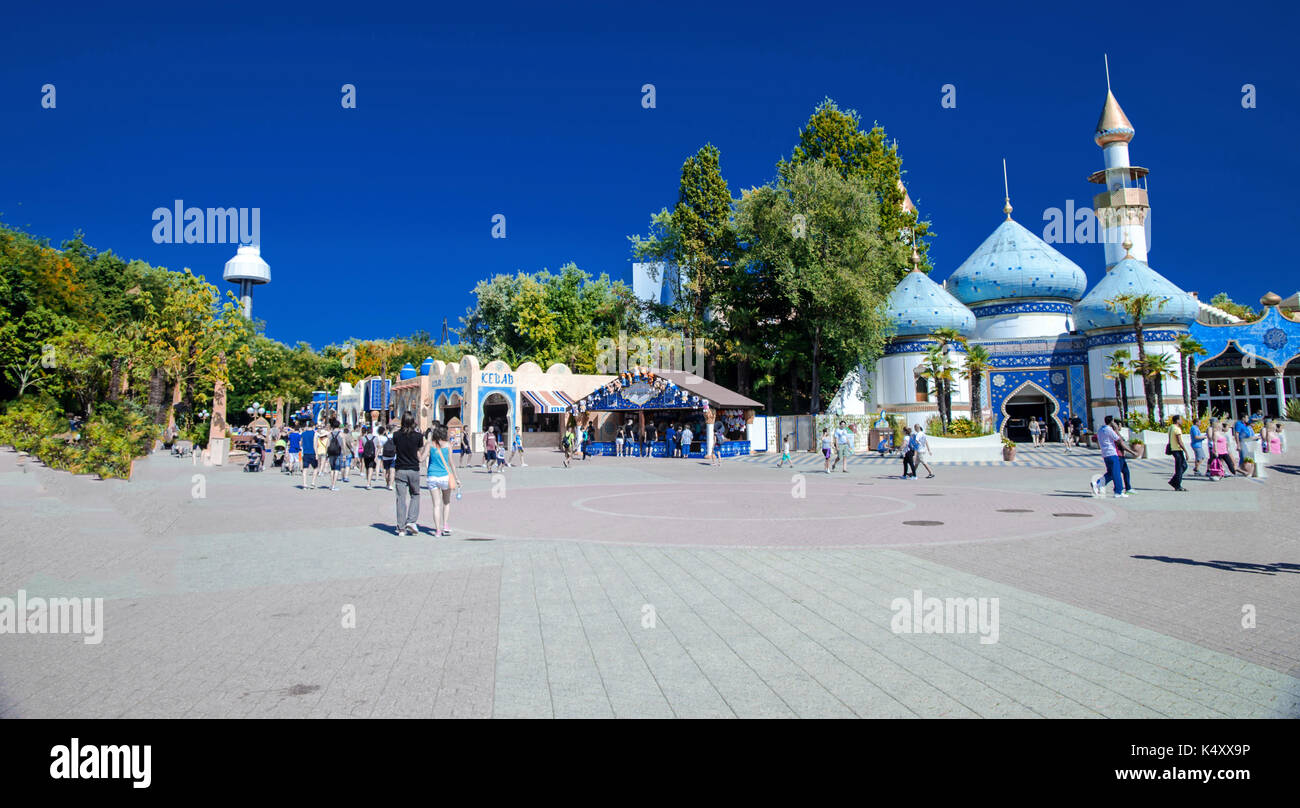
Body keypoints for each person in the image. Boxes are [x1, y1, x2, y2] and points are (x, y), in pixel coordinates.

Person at [424, 420, 461, 537]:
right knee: (446, 502)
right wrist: (457, 478)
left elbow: (421, 458)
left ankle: (437, 530)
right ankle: (445, 525)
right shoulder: (448, 445)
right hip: (445, 477)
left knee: (436, 505)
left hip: (432, 476)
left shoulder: (429, 445)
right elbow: (451, 463)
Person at [391, 412, 425, 535]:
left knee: (400, 498)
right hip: (414, 469)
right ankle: (411, 520)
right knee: (415, 494)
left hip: (400, 469)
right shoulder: (418, 436)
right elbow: (419, 452)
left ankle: (401, 528)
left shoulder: (396, 435)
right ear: (413, 422)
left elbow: (395, 449)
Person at [1089, 415, 1129, 498]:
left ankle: (1098, 483)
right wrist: (1117, 429)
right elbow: (1119, 439)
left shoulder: (1100, 430)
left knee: (1110, 473)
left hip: (1105, 454)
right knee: (1116, 473)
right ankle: (1118, 491)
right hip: (1112, 453)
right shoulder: (1109, 430)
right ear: (1111, 422)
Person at [324, 418, 346, 491]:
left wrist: (326, 453)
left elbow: (327, 444)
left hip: (331, 453)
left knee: (332, 469)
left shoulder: (330, 434)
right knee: (337, 469)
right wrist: (344, 454)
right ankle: (334, 485)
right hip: (338, 453)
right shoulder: (341, 434)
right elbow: (343, 445)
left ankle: (331, 484)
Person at [1167, 414, 1188, 491]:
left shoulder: (1171, 427)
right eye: (1181, 419)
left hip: (1173, 449)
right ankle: (1177, 485)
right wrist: (1186, 451)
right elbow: (1180, 441)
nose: (1182, 421)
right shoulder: (1177, 429)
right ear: (1177, 420)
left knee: (1182, 466)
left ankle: (1174, 481)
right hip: (1177, 450)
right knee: (1180, 468)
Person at [300, 423, 320, 489]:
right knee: (315, 468)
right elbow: (315, 444)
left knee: (305, 469)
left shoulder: (303, 433)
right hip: (312, 453)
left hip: (305, 453)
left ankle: (304, 484)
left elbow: (301, 443)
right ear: (313, 426)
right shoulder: (315, 433)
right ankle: (313, 482)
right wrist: (316, 454)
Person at [359, 425, 379, 489]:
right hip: (373, 455)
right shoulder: (375, 438)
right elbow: (378, 447)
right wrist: (376, 455)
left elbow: (363, 446)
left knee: (367, 468)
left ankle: (368, 482)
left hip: (366, 455)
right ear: (372, 431)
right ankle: (368, 483)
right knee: (371, 468)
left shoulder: (363, 438)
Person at [378, 425, 396, 489]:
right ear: (393, 430)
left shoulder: (384, 437)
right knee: (392, 471)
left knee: (386, 470)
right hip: (393, 456)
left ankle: (387, 483)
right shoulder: (395, 437)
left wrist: (377, 454)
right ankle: (391, 485)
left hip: (385, 456)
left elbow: (380, 446)